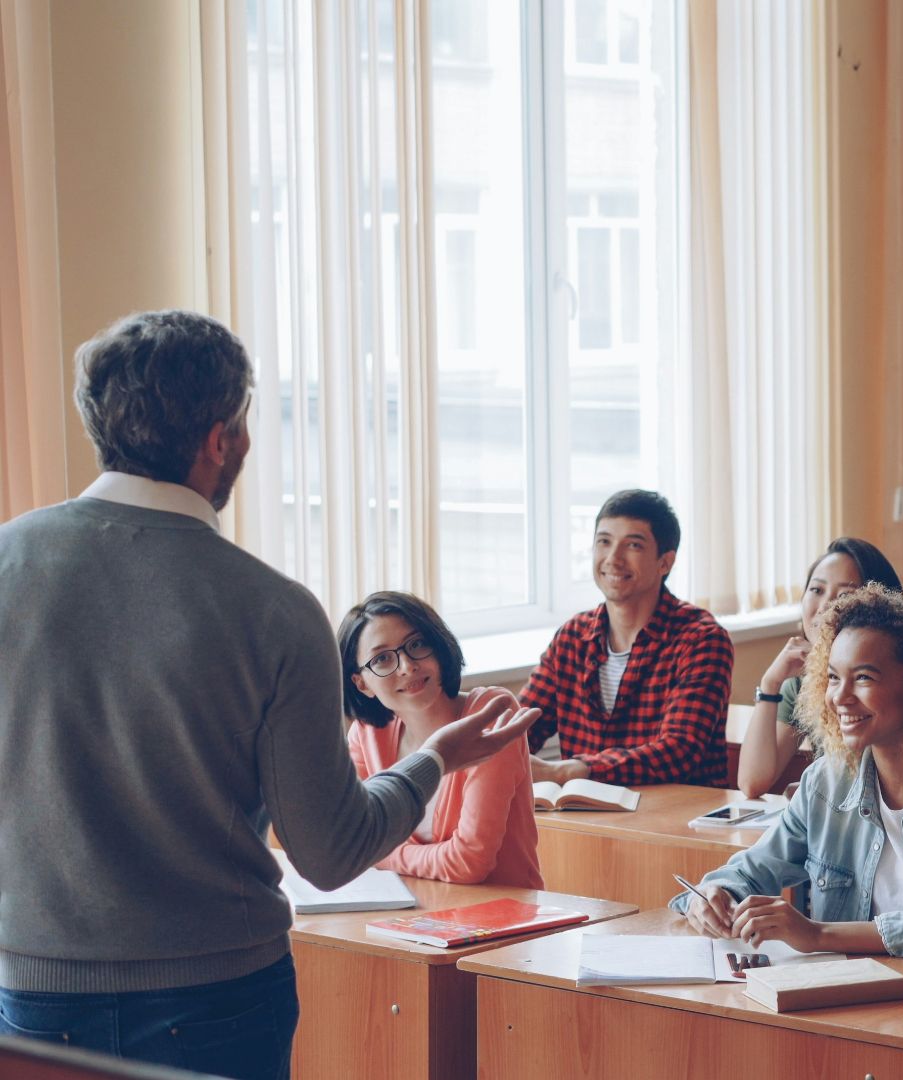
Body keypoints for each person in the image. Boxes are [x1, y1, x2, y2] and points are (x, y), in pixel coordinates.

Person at [0, 310, 536, 1080]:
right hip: (213, 993)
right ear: (222, 438)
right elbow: (330, 850)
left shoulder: (7, 562)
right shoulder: (271, 607)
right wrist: (435, 759)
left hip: (28, 988)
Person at [674, 586, 903, 963]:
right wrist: (711, 895)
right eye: (833, 677)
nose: (840, 697)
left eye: (863, 678)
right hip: (863, 993)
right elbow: (750, 872)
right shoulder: (825, 783)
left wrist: (816, 934)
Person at [522, 489, 734, 787]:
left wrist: (568, 771)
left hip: (674, 820)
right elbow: (523, 725)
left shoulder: (701, 640)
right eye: (604, 542)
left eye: (633, 545)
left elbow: (679, 752)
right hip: (585, 818)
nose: (613, 558)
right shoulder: (573, 636)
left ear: (665, 562)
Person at [340, 592, 544, 889]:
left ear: (438, 646)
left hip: (504, 918)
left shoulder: (490, 713)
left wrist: (379, 855)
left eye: (417, 644)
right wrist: (367, 850)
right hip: (412, 916)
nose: (407, 666)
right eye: (382, 659)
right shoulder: (367, 734)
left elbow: (469, 863)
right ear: (361, 683)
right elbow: (350, 842)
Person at [737, 537, 903, 799]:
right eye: (816, 590)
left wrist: (821, 789)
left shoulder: (894, 676)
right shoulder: (801, 684)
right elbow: (752, 782)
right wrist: (771, 684)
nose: (825, 605)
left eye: (845, 595)